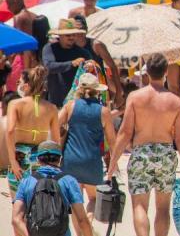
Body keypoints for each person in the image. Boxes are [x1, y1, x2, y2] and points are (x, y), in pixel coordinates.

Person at [107, 53, 180, 236]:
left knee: (139, 206)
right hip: (165, 153)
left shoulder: (135, 97)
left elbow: (125, 133)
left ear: (146, 71)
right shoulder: (175, 101)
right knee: (162, 208)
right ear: (166, 72)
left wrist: (112, 164)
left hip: (141, 153)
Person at [58, 73, 116, 234]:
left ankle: (82, 232)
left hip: (70, 160)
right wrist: (114, 164)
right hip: (92, 161)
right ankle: (88, 223)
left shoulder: (70, 106)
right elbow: (112, 141)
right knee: (93, 199)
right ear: (97, 91)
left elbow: (55, 125)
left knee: (75, 203)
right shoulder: (103, 111)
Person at [12, 140, 93, 236]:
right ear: (60, 159)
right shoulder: (69, 181)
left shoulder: (26, 182)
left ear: (38, 160)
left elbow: (16, 220)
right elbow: (82, 220)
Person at [6, 66, 60, 199]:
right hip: (41, 156)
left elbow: (10, 130)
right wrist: (56, 165)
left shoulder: (15, 104)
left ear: (27, 85)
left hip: (19, 156)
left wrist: (13, 161)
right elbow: (56, 140)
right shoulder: (51, 108)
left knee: (18, 204)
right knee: (38, 203)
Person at [73, 15, 125, 109]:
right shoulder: (70, 47)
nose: (79, 33)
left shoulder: (96, 45)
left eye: (82, 29)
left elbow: (112, 66)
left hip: (99, 91)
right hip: (78, 92)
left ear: (87, 30)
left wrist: (118, 92)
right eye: (76, 30)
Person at [42, 19, 92, 107]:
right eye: (67, 35)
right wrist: (72, 63)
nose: (71, 37)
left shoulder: (83, 53)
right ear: (60, 35)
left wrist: (91, 67)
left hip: (78, 103)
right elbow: (49, 67)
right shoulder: (50, 48)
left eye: (73, 35)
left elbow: (91, 75)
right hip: (56, 101)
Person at [5, 0, 38, 69]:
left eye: (9, 4)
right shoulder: (35, 15)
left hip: (24, 59)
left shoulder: (18, 17)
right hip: (36, 57)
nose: (8, 8)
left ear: (15, 2)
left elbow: (18, 41)